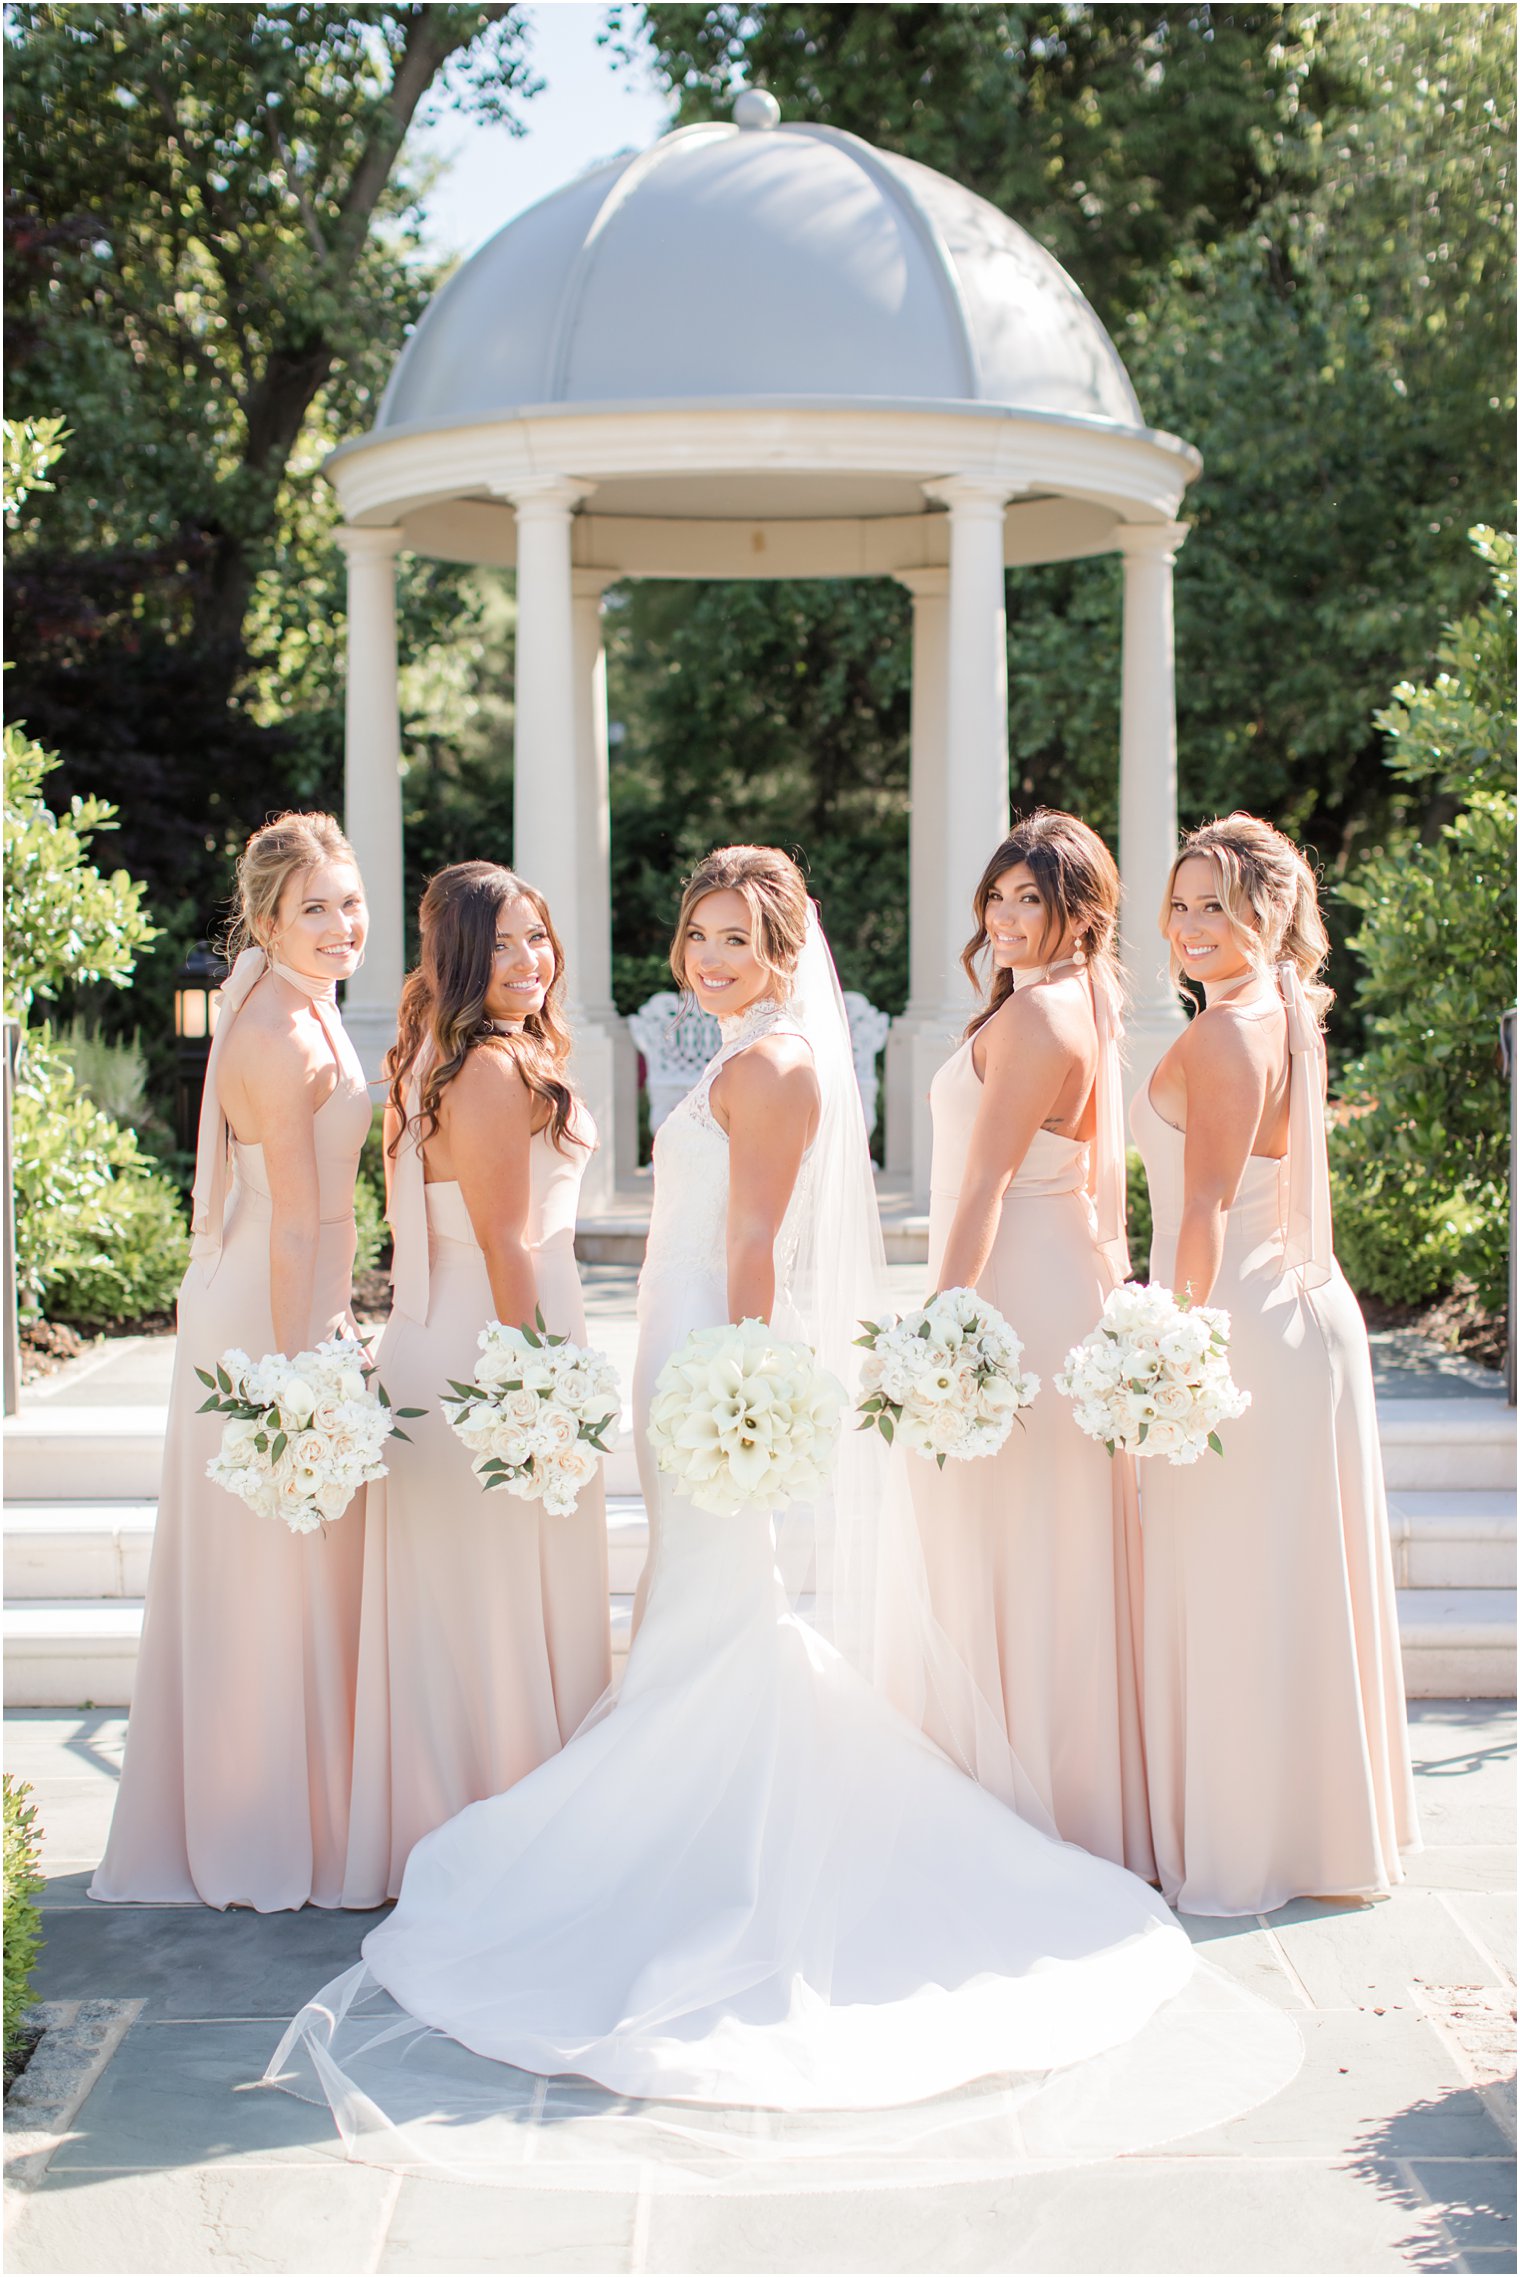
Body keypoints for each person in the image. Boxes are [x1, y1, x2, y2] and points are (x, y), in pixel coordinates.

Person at [268, 846, 1300, 2178]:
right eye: (697, 936)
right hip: (680, 1341)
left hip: (709, 1349)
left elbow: (757, 1244)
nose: (709, 962)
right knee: (700, 1599)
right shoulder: (747, 1052)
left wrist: (741, 1381)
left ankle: (708, 1843)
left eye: (738, 945)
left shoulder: (771, 1067)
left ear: (783, 952)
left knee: (719, 1601)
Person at [1131, 812, 1419, 1914]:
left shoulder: (1222, 1034)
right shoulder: (1288, 1015)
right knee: (1289, 1582)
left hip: (1236, 1323)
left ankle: (1243, 1849)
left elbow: (1200, 1207)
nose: (1192, 925)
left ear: (1270, 913)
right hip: (1309, 1318)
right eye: (1182, 903)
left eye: (1217, 904)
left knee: (1233, 1587)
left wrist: (1168, 1344)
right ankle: (1315, 1838)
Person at [92, 813, 371, 1910]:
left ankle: (295, 1802)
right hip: (267, 1314)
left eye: (349, 903)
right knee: (267, 1563)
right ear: (263, 919)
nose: (341, 925)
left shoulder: (305, 1002)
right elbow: (299, 1225)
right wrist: (308, 1378)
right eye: (314, 908)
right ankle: (258, 1824)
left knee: (287, 1564)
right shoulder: (278, 1033)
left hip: (285, 1299)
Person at [342, 864, 611, 1905]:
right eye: (501, 945)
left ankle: (445, 1827)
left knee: (465, 1604)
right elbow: (505, 1242)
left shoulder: (426, 1051)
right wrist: (536, 1390)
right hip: (495, 1344)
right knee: (503, 1600)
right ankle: (513, 1836)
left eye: (537, 938)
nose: (528, 961)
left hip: (437, 1335)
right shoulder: (492, 1070)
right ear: (459, 954)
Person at [911, 812, 1151, 1873]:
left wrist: (941, 1325)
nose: (1004, 919)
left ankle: (1019, 1805)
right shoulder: (1085, 1003)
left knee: (1012, 1544)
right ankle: (1061, 1796)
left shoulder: (1036, 1019)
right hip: (1060, 1283)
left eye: (1028, 902)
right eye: (996, 898)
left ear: (1077, 914)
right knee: (1046, 1546)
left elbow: (983, 1185)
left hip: (1013, 1287)